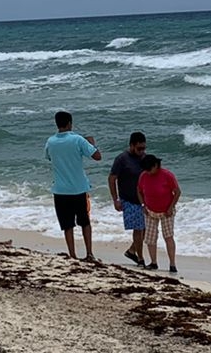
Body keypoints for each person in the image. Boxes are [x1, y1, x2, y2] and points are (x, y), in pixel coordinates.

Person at [45, 110, 102, 261]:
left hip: (60, 189)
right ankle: (89, 253)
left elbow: (49, 157)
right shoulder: (77, 139)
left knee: (67, 225)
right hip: (79, 188)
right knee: (85, 222)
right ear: (70, 123)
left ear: (57, 124)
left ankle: (72, 255)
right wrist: (92, 144)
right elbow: (97, 156)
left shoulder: (50, 141)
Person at [107, 131, 150, 265]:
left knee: (145, 229)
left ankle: (132, 251)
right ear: (131, 145)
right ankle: (141, 259)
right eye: (139, 148)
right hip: (128, 198)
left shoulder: (145, 158)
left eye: (144, 148)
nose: (142, 151)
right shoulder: (122, 159)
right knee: (138, 229)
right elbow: (112, 178)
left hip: (143, 199)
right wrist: (115, 199)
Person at [137, 154, 182, 273]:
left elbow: (177, 192)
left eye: (149, 169)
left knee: (168, 236)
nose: (147, 172)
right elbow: (139, 190)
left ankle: (172, 264)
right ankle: (153, 262)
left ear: (156, 165)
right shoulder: (144, 176)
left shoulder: (167, 175)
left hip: (166, 211)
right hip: (150, 211)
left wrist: (171, 207)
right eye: (145, 169)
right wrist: (143, 205)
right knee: (150, 238)